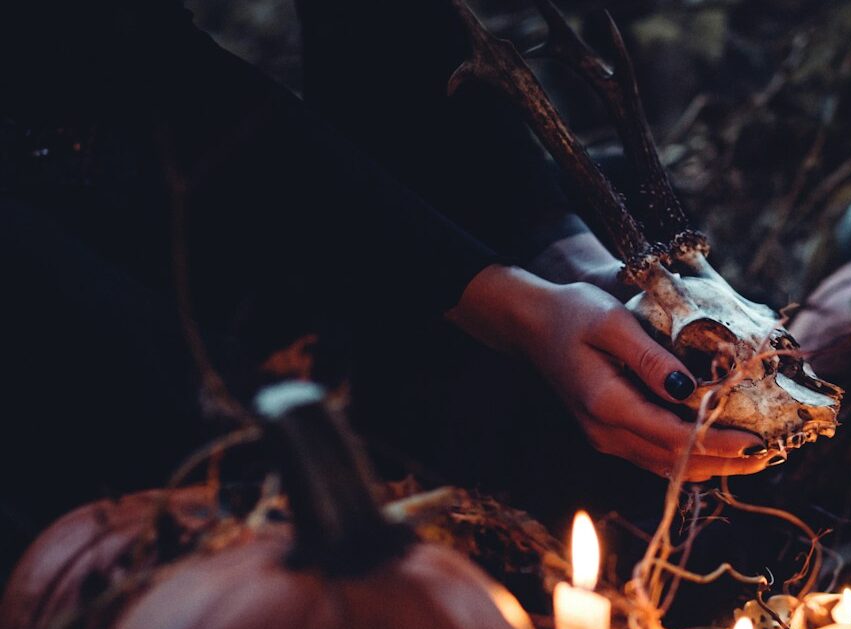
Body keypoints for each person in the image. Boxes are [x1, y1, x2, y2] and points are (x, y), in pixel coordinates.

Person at [0, 0, 767, 561]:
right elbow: (145, 70)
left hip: (176, 154)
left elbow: (386, 30)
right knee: (232, 472)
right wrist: (508, 300)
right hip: (55, 192)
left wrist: (559, 253)